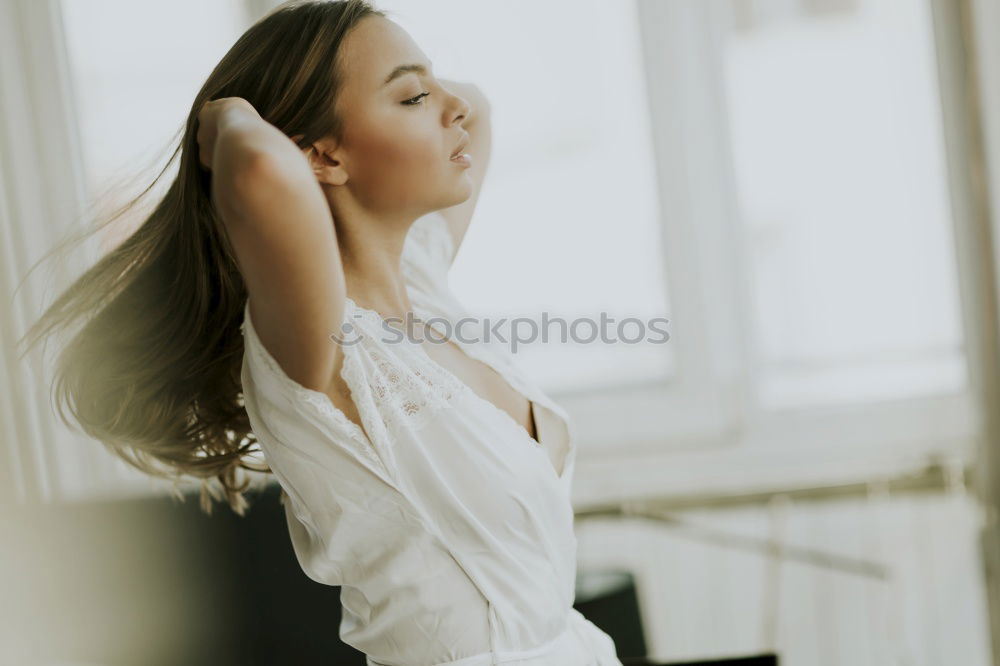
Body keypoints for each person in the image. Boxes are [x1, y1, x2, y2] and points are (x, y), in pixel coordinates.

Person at [22, 1, 622, 663]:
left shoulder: (423, 286)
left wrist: (414, 81)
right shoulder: (315, 344)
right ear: (322, 157)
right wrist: (224, 116)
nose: (455, 109)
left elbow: (477, 106)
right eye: (416, 97)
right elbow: (257, 171)